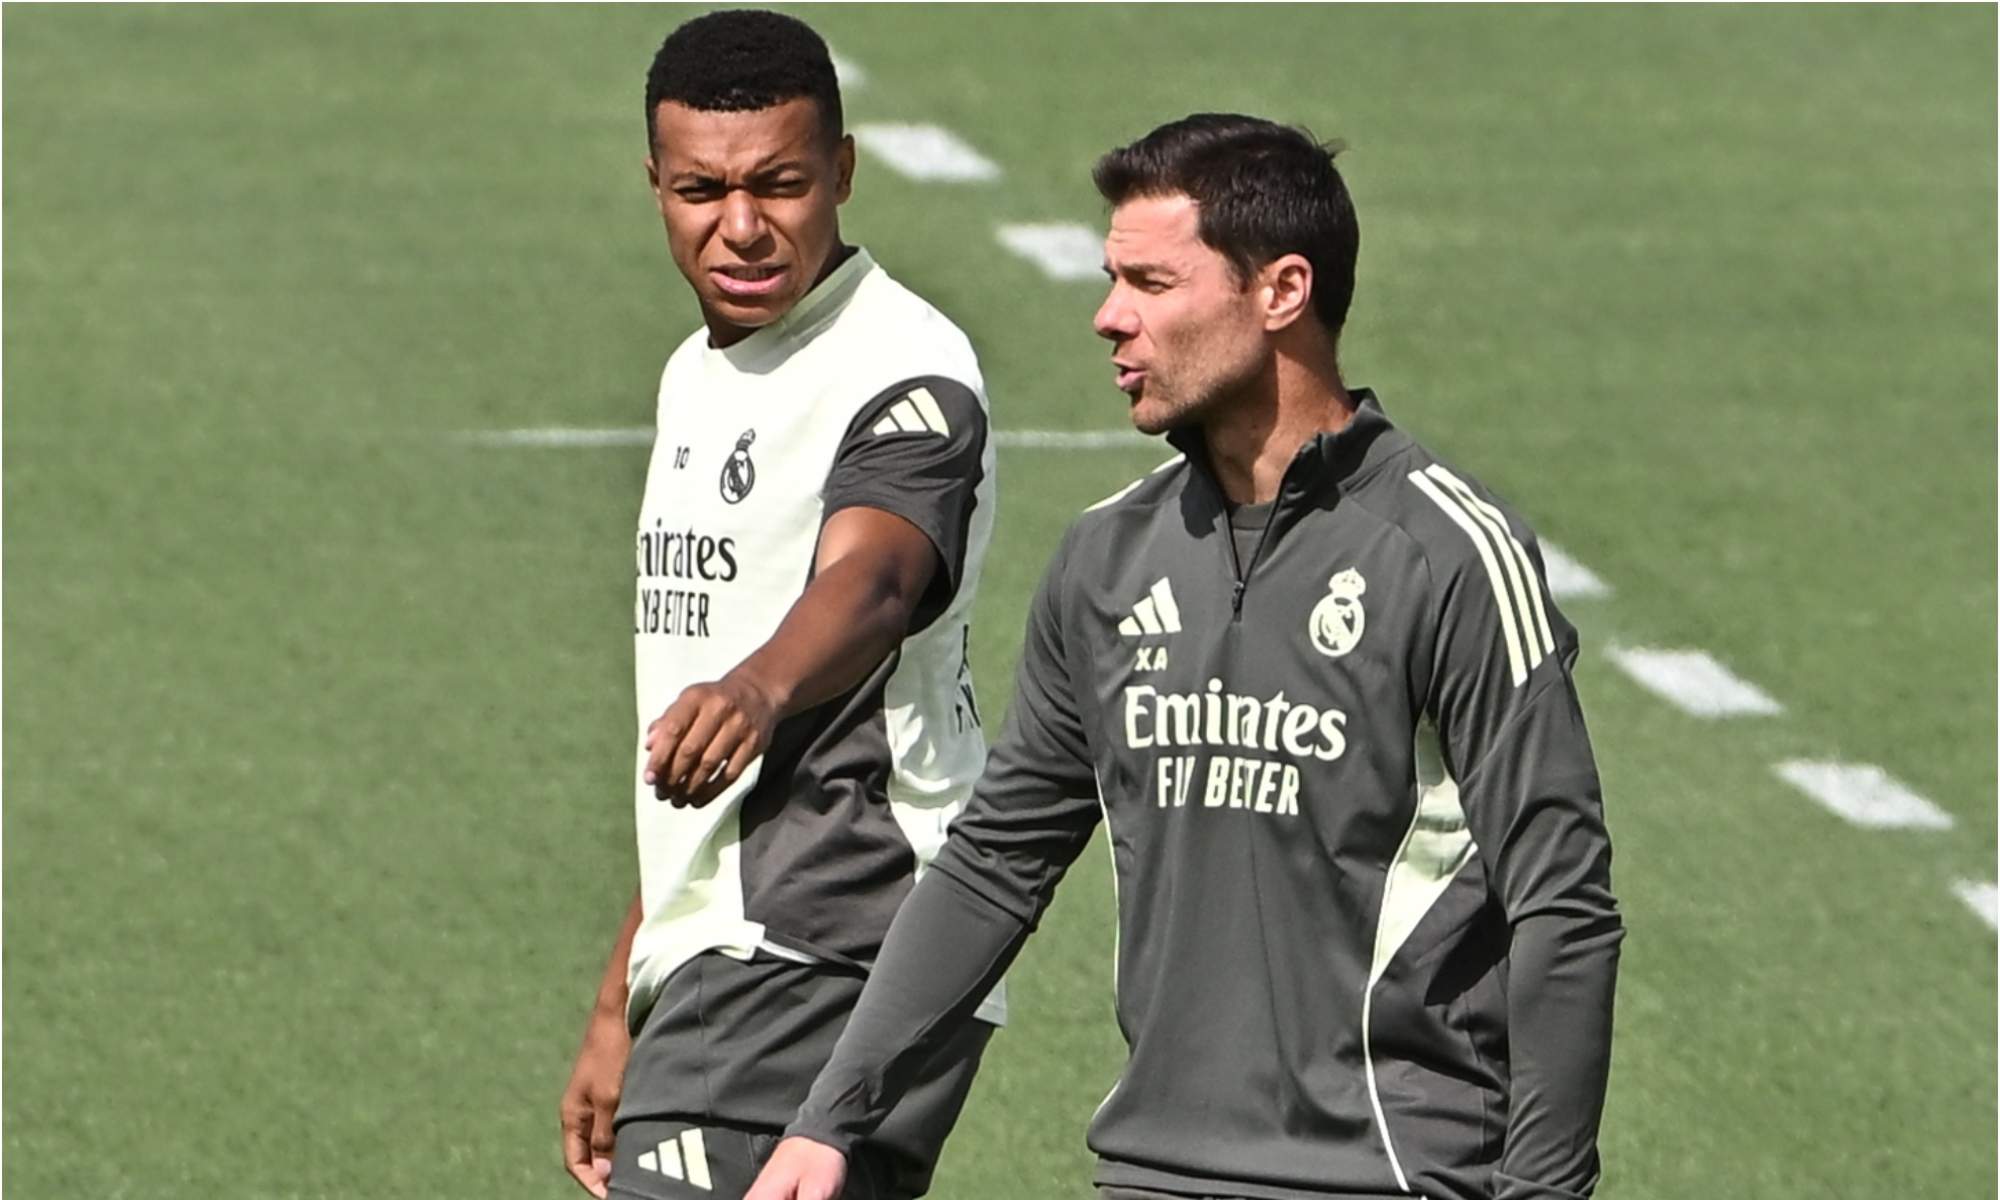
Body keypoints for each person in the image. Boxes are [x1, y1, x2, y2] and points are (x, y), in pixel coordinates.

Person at [749, 114, 1625, 1200]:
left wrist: (1543, 1193)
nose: (1107, 318)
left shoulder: (1442, 554)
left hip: (1385, 1174)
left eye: (1151, 284)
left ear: (1280, 293)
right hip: (1154, 1175)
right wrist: (828, 1119)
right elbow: (994, 863)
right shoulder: (1107, 559)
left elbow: (1561, 901)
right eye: (1111, 278)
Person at [558, 11, 1004, 1200]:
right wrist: (624, 993)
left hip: (831, 926)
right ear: (654, 184)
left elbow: (878, 577)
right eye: (701, 189)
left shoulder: (905, 367)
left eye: (780, 184)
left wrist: (759, 685)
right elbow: (699, 744)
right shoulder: (695, 374)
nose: (741, 226)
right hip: (723, 955)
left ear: (842, 172)